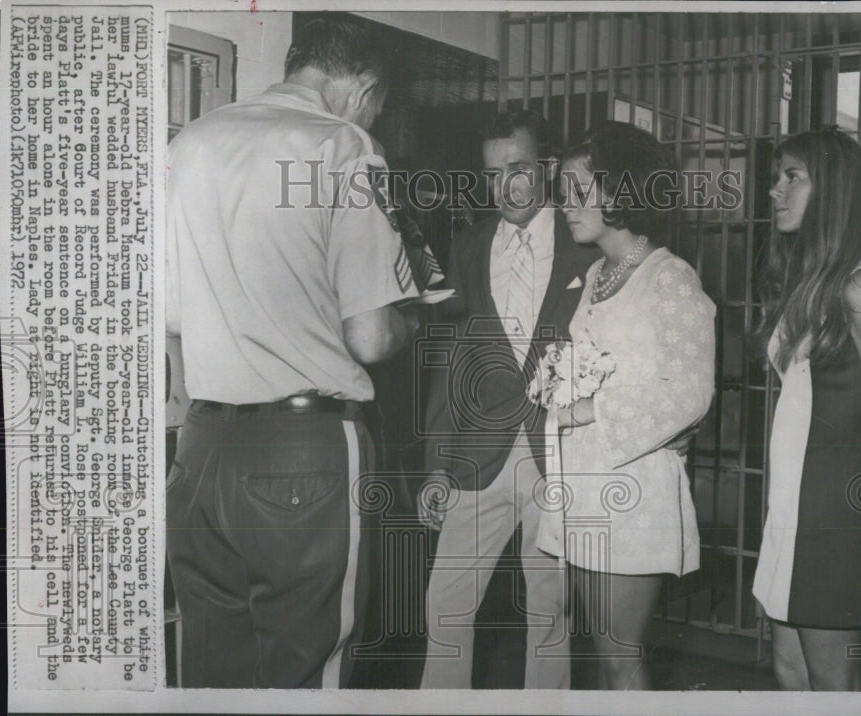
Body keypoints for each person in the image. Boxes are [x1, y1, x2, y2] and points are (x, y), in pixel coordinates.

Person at [165, 16, 422, 688]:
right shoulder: (343, 144)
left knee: (213, 674)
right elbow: (370, 337)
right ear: (364, 89)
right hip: (305, 452)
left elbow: (170, 316)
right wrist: (413, 320)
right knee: (308, 675)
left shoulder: (192, 142)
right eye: (378, 106)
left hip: (201, 449)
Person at [417, 110, 597, 689]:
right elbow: (450, 360)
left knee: (551, 611)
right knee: (445, 604)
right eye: (493, 174)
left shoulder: (585, 240)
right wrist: (437, 463)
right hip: (478, 451)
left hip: (558, 450)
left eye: (518, 169)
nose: (506, 187)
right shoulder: (468, 246)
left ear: (547, 168)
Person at [535, 121, 715, 690]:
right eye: (563, 191)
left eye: (578, 189)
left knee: (621, 655)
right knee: (603, 653)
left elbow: (689, 392)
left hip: (634, 489)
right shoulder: (597, 274)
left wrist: (587, 409)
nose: (566, 204)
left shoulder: (670, 278)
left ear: (621, 190)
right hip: (587, 482)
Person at [752, 128, 861, 691]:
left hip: (832, 511)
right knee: (790, 670)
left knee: (832, 685)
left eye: (792, 176)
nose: (775, 190)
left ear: (835, 190)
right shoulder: (814, 282)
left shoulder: (860, 286)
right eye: (776, 177)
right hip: (791, 505)